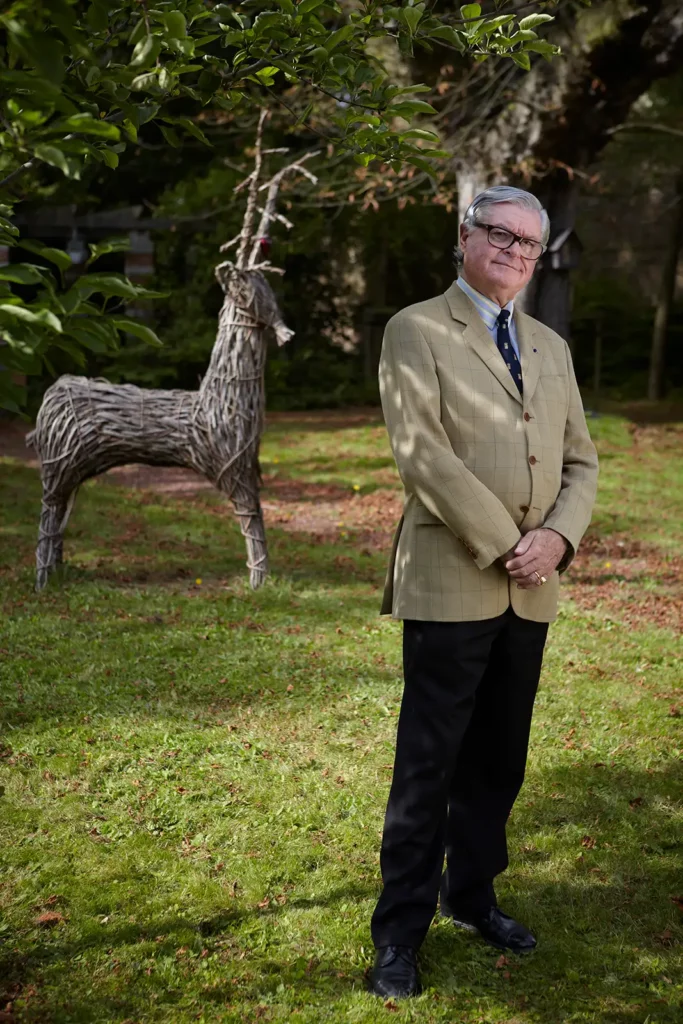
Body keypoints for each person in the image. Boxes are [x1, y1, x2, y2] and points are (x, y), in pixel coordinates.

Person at [369, 185, 599, 999]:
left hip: (531, 590)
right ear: (464, 238)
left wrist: (558, 540)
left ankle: (469, 896)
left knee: (498, 759)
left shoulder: (548, 345)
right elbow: (421, 452)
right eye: (497, 233)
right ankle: (397, 933)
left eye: (527, 242)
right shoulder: (416, 328)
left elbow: (580, 462)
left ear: (538, 259)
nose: (511, 249)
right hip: (450, 581)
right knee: (427, 764)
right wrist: (510, 545)